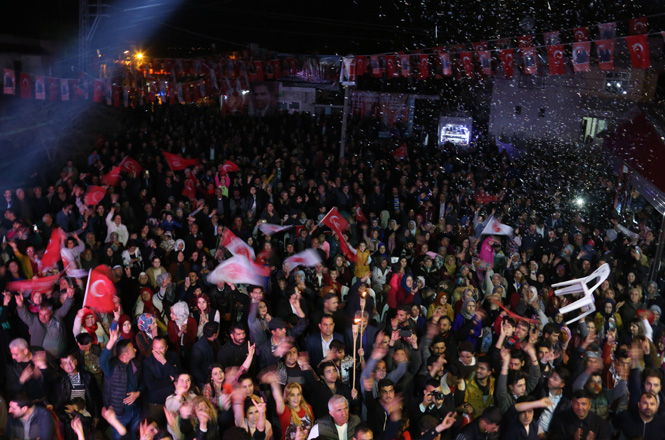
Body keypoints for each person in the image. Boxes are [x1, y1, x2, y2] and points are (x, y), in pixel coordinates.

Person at [99, 329, 142, 440]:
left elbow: (142, 382)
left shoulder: (135, 364)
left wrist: (138, 393)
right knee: (119, 437)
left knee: (134, 436)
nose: (135, 350)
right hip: (119, 413)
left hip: (135, 410)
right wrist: (112, 341)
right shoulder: (112, 366)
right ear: (125, 354)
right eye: (133, 348)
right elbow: (102, 361)